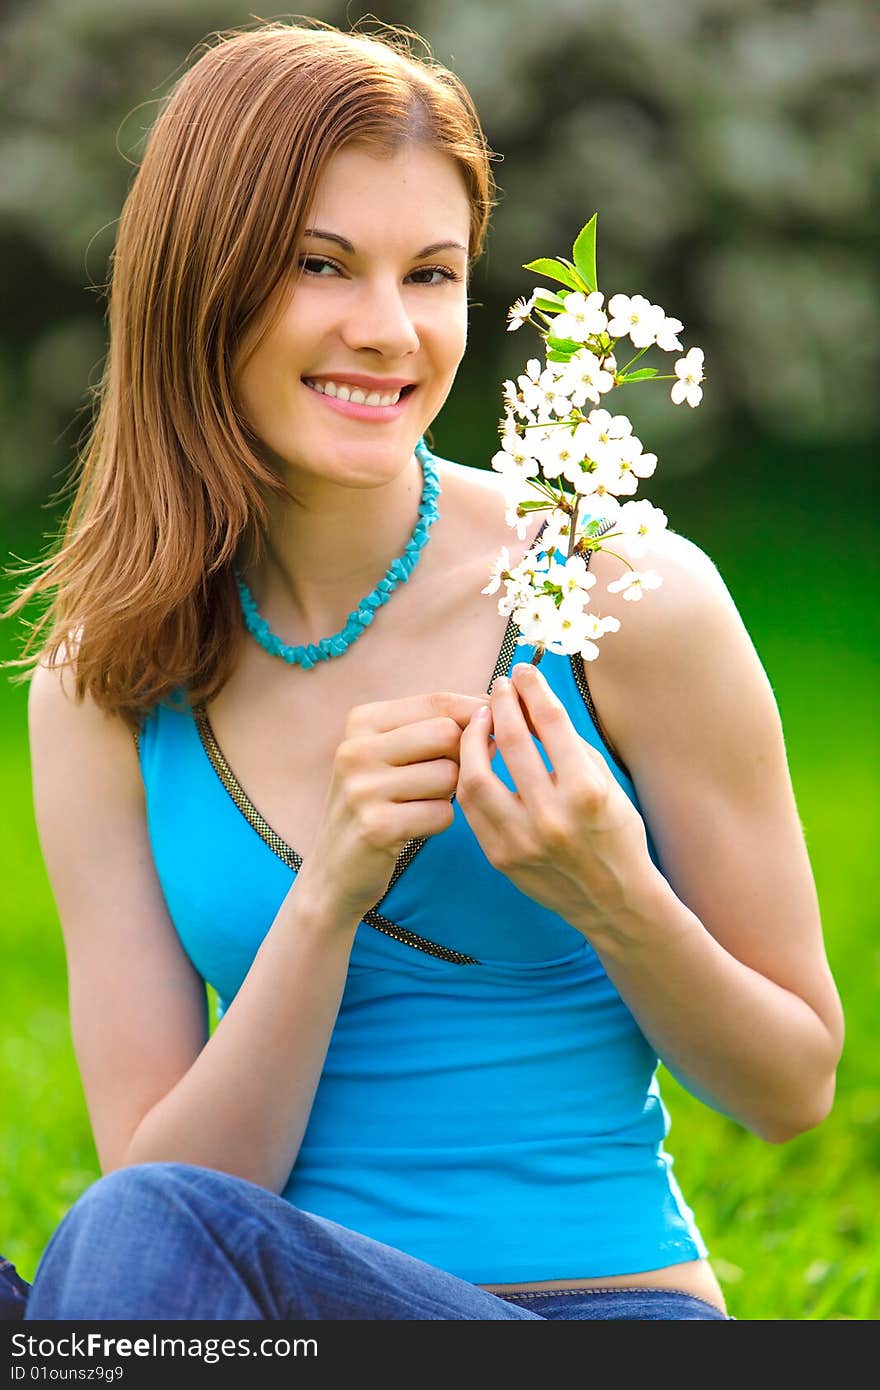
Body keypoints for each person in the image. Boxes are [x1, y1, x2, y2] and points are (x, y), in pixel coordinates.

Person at [3, 18, 843, 1323]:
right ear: (198, 285)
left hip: (591, 1310)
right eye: (321, 266)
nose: (389, 331)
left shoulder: (626, 597)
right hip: (256, 1309)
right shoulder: (104, 676)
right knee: (140, 1229)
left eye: (433, 275)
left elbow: (793, 1086)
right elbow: (170, 1199)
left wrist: (614, 887)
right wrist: (326, 894)